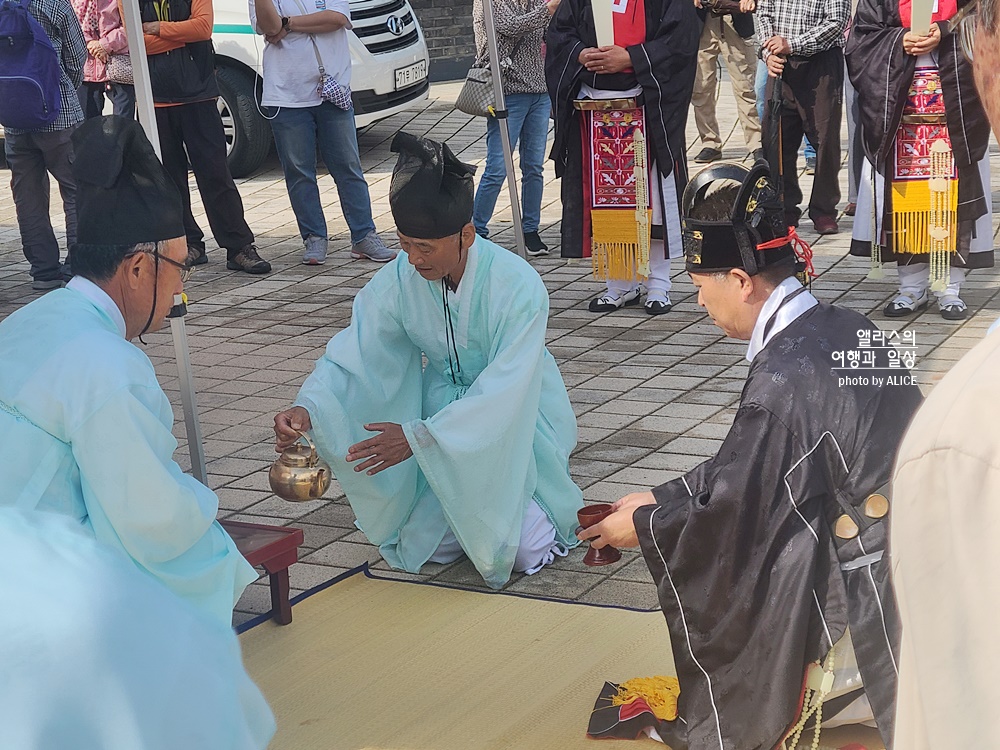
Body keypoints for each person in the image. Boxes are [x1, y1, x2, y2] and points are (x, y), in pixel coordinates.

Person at [577, 160, 923, 749]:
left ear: (740, 280)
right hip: (922, 551)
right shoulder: (848, 324)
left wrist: (645, 527)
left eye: (700, 285)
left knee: (744, 580)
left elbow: (738, 507)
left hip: (873, 593)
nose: (698, 301)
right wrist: (658, 499)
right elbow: (758, 470)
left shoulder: (783, 380)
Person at [273, 132, 582, 589]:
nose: (414, 259)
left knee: (523, 549)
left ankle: (530, 507)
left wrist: (420, 438)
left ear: (466, 235)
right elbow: (358, 353)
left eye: (426, 247)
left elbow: (505, 390)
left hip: (515, 419)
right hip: (440, 422)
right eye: (404, 244)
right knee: (425, 547)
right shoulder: (398, 279)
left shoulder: (518, 287)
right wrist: (311, 408)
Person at [0, 116, 257, 628]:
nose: (181, 292)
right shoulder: (108, 364)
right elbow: (148, 515)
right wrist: (205, 514)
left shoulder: (27, 321)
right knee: (203, 554)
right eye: (180, 270)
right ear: (139, 267)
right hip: (32, 584)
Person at [891, 2, 1000, 746]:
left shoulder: (962, 427)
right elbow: (863, 34)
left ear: (986, 69)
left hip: (943, 119)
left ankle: (947, 275)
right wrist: (904, 44)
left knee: (947, 189)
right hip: (907, 106)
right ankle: (913, 277)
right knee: (911, 193)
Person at [0, 507, 275, 750]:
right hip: (96, 543)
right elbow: (145, 494)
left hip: (51, 529)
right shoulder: (71, 581)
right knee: (208, 553)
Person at [545, 0, 700, 315]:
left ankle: (659, 284)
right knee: (609, 198)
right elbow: (559, 32)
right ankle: (620, 285)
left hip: (648, 107)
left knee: (651, 201)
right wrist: (578, 53)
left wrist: (632, 57)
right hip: (595, 107)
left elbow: (681, 41)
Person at [847, 0, 992, 321]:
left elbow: (986, 24)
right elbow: (860, 40)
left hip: (955, 112)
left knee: (951, 203)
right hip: (901, 117)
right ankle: (911, 288)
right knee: (906, 204)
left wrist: (943, 32)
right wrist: (898, 41)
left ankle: (950, 289)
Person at [249, 0, 395, 265]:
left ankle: (364, 235)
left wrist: (288, 24)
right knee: (299, 171)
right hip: (286, 94)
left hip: (332, 87)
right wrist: (281, 24)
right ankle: (314, 237)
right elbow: (269, 27)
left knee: (348, 166)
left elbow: (336, 18)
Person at [140, 0, 271, 273]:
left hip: (198, 95)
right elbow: (135, 44)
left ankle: (238, 247)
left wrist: (158, 29)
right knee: (168, 180)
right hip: (155, 99)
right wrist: (180, 35)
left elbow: (202, 29)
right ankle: (188, 244)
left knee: (215, 174)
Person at [4, 0, 85, 290]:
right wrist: (63, 92)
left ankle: (43, 271)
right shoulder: (54, 4)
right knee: (77, 190)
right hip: (58, 115)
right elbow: (77, 58)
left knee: (28, 197)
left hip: (14, 116)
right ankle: (78, 267)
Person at [471, 0, 558, 256]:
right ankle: (477, 231)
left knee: (534, 166)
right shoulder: (490, 2)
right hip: (507, 93)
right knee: (497, 167)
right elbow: (511, 26)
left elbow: (550, 34)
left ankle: (530, 230)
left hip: (540, 92)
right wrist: (549, 9)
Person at [758, 0, 850, 235]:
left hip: (820, 64)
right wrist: (768, 51)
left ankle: (823, 209)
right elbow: (763, 14)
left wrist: (792, 44)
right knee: (777, 138)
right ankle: (783, 206)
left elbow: (836, 23)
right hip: (780, 63)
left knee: (824, 139)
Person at [691, 0, 762, 164]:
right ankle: (710, 143)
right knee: (701, 88)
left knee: (745, 88)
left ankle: (756, 143)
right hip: (703, 22)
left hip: (735, 20)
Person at [72, 0, 136, 120]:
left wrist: (105, 45)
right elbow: (68, 23)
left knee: (123, 127)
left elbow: (133, 24)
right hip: (85, 67)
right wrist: (90, 43)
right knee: (87, 129)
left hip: (120, 65)